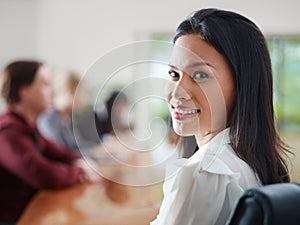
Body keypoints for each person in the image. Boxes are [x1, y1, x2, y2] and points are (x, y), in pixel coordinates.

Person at [151, 8, 291, 225]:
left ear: (242, 85)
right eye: (174, 74)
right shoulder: (245, 161)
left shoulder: (204, 173)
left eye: (200, 75)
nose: (177, 92)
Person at [0, 61, 100, 224]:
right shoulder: (7, 132)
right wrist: (79, 171)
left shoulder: (28, 126)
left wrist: (80, 161)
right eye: (45, 84)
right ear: (24, 92)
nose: (53, 91)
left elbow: (60, 152)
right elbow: (41, 173)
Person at [37, 69, 99, 152]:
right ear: (72, 92)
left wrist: (101, 148)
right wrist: (96, 151)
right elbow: (59, 153)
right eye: (84, 93)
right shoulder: (48, 119)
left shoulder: (65, 117)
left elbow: (76, 146)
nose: (86, 100)